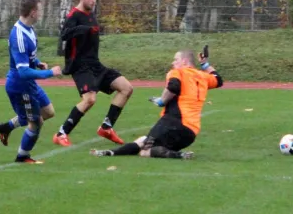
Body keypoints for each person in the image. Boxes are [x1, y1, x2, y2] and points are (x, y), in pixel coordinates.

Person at [89, 48, 223, 159]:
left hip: (173, 123)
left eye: (175, 59)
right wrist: (205, 64)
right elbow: (218, 80)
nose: (173, 62)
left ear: (184, 61)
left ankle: (179, 155)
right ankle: (109, 153)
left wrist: (162, 101)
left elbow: (174, 86)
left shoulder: (178, 72)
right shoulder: (203, 76)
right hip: (191, 133)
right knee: (143, 140)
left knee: (145, 151)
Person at [54, 0, 133, 147]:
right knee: (90, 99)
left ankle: (107, 127)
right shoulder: (74, 16)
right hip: (80, 66)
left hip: (95, 65)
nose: (93, 0)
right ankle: (61, 133)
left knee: (126, 88)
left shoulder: (91, 15)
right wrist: (85, 29)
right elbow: (64, 35)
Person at [0, 0, 62, 164]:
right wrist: (49, 73)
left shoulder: (29, 29)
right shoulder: (18, 36)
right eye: (39, 10)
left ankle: (6, 127)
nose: (40, 13)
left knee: (48, 112)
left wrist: (37, 63)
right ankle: (22, 156)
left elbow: (27, 58)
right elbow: (23, 72)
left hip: (29, 84)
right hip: (20, 86)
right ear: (33, 12)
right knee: (35, 122)